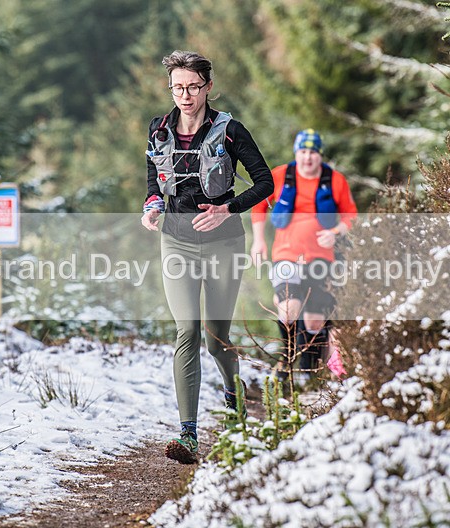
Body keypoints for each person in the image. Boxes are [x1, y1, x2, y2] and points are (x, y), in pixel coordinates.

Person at [141, 50, 273, 464]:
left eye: (193, 87)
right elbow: (152, 182)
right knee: (187, 331)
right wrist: (150, 207)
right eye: (178, 87)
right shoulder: (158, 129)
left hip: (223, 243)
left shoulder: (230, 130)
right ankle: (189, 435)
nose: (185, 95)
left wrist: (227, 210)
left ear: (208, 87)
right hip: (175, 241)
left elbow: (265, 183)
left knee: (216, 341)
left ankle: (235, 401)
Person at [250, 129, 357, 385]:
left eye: (312, 152)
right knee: (288, 309)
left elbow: (350, 215)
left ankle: (309, 372)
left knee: (315, 318)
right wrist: (259, 240)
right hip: (286, 256)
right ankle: (286, 359)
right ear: (297, 153)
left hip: (322, 258)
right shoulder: (280, 175)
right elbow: (259, 206)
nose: (308, 158)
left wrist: (335, 232)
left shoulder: (334, 180)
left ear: (320, 155)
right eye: (303, 152)